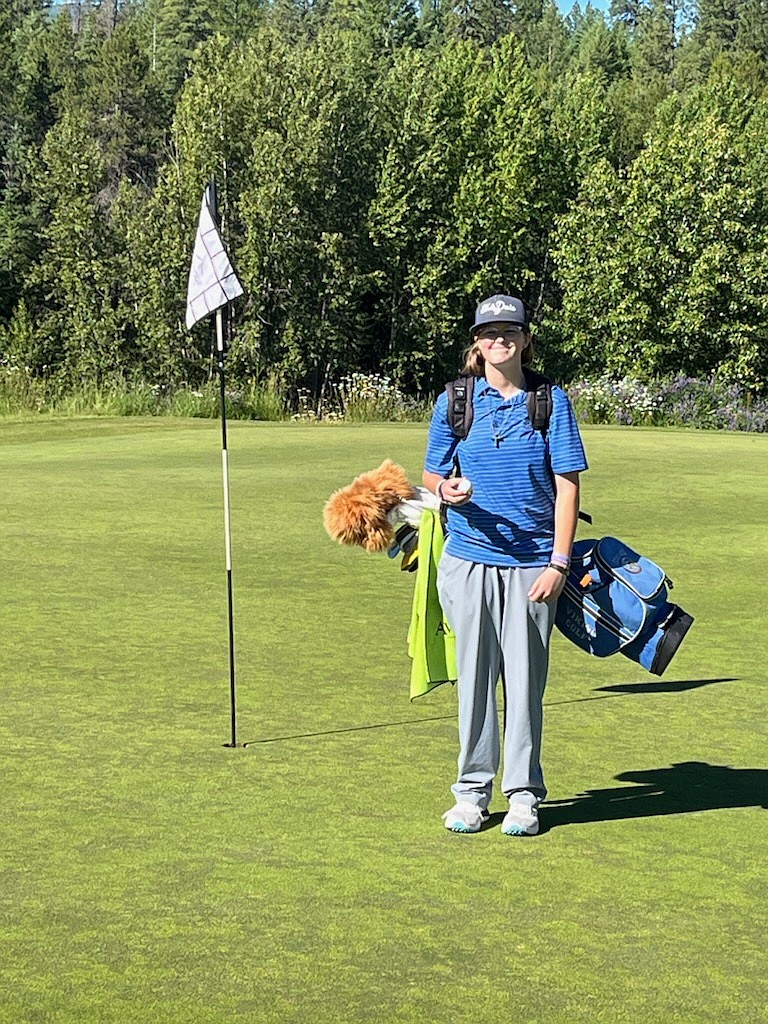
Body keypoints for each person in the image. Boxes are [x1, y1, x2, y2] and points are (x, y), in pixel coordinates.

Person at [422, 294, 588, 836]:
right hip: (467, 561)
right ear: (477, 341)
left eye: (509, 331)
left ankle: (522, 794)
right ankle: (471, 792)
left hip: (532, 568)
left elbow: (568, 488)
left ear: (525, 337)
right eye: (490, 331)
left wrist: (559, 563)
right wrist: (446, 488)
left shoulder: (550, 402)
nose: (500, 339)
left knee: (523, 684)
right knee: (474, 681)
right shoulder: (454, 400)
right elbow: (431, 477)